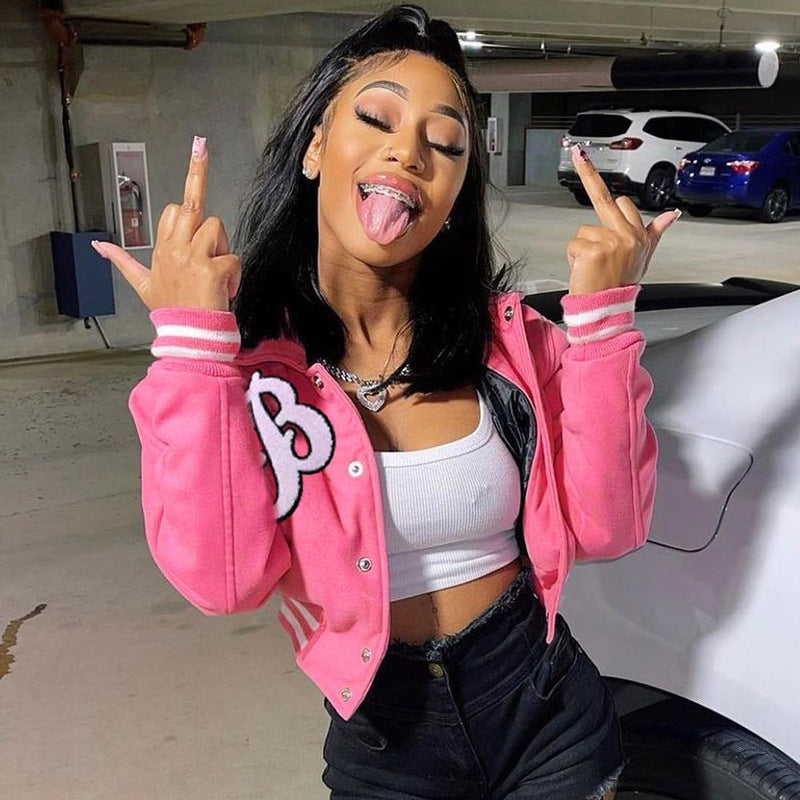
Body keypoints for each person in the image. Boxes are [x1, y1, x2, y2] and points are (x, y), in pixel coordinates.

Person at [92, 5, 677, 798]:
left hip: (546, 710)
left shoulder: (510, 347)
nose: (410, 152)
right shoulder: (246, 373)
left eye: (446, 143)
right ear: (315, 148)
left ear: (456, 194)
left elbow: (609, 528)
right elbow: (225, 582)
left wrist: (604, 324)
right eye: (377, 118)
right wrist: (193, 347)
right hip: (385, 736)